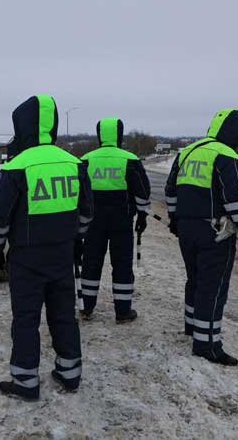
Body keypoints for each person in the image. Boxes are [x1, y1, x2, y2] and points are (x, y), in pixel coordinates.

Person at [0, 94, 93, 401]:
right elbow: (87, 213)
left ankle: (25, 382)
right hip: (62, 255)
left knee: (26, 319)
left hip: (26, 259)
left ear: (23, 125)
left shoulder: (17, 167)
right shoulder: (74, 164)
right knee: (64, 316)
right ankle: (70, 374)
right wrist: (76, 240)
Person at [164, 108, 238, 367]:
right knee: (213, 287)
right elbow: (237, 200)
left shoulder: (187, 152)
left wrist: (175, 220)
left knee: (195, 280)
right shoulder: (227, 156)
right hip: (215, 232)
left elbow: (171, 191)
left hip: (187, 229)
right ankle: (207, 345)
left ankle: (193, 327)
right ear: (234, 134)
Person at [78, 118, 151, 322]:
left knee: (91, 262)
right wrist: (142, 216)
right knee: (122, 264)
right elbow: (142, 191)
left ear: (99, 135)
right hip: (122, 221)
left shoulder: (86, 159)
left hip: (93, 222)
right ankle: (122, 311)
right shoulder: (130, 159)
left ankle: (86, 307)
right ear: (119, 135)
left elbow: (80, 193)